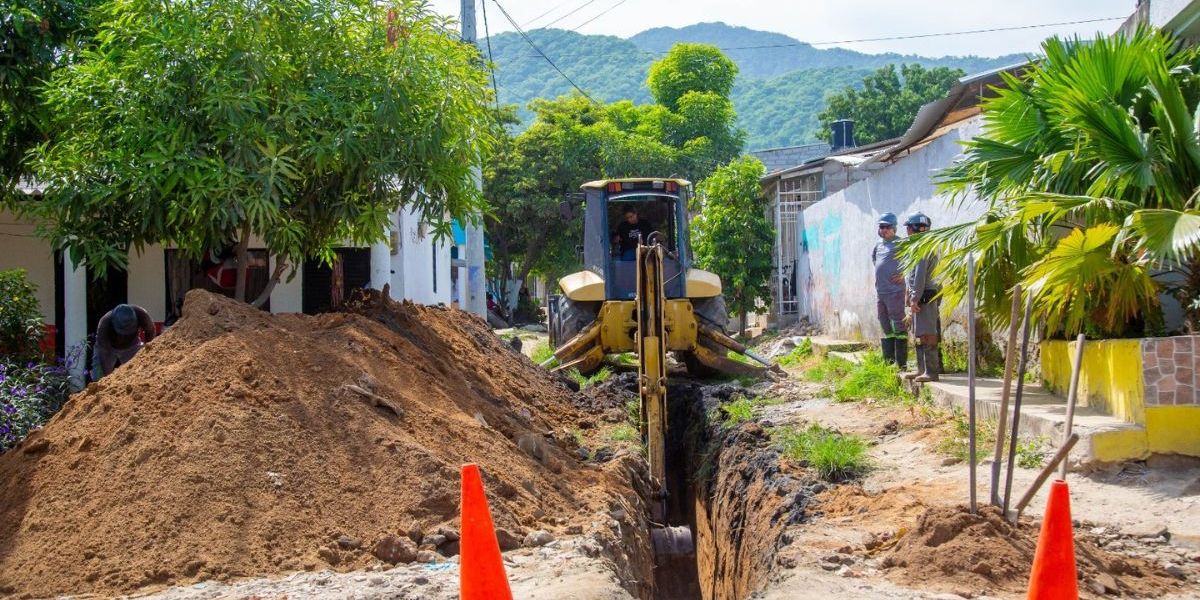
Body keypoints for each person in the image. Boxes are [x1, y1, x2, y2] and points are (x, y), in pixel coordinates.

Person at [903, 212, 941, 382]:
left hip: (924, 294)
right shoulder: (920, 246)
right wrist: (909, 293)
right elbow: (911, 275)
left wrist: (914, 298)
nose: (907, 231)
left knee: (928, 332)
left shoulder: (923, 247)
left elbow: (920, 276)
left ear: (914, 229)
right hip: (919, 294)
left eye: (909, 228)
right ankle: (921, 369)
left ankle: (931, 371)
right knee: (919, 332)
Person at [872, 213, 908, 367]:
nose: (884, 230)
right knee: (884, 322)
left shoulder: (901, 243)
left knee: (899, 323)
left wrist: (904, 273)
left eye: (887, 227)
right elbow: (874, 259)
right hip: (881, 291)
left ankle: (901, 364)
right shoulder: (878, 245)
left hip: (895, 291)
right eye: (882, 227)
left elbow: (913, 260)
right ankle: (889, 362)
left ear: (894, 228)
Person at [92, 303, 156, 380]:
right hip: (109, 347)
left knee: (138, 373)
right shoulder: (105, 323)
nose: (123, 336)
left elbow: (150, 331)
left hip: (132, 345)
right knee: (98, 374)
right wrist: (103, 378)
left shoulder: (141, 314)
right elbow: (102, 351)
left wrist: (148, 349)